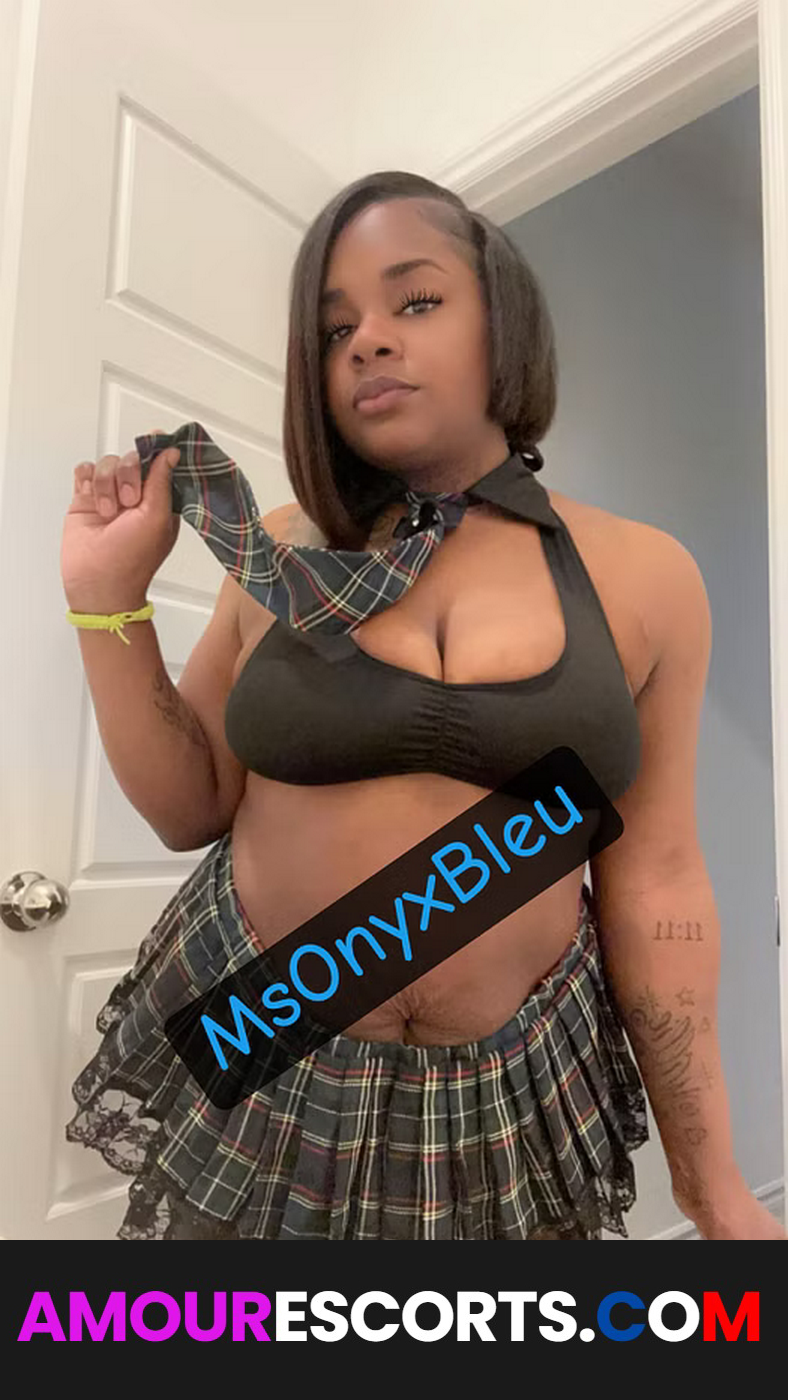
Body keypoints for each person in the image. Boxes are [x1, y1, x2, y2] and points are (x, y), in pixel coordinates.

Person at [61, 170, 785, 1241]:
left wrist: (711, 1183)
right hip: (268, 1040)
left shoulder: (646, 575)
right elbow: (188, 805)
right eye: (334, 327)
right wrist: (105, 602)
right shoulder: (277, 549)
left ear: (505, 324)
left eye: (416, 299)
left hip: (517, 1085)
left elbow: (658, 880)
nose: (368, 340)